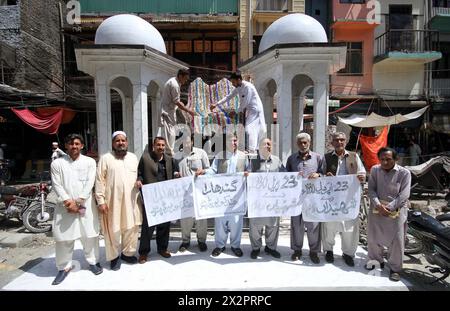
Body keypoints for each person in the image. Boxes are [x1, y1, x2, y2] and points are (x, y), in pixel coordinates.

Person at [50, 134, 102, 285]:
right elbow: (57, 184)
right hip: (65, 206)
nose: (74, 146)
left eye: (77, 144)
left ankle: (93, 262)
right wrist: (68, 202)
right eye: (71, 144)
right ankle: (63, 267)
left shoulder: (90, 162)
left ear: (82, 146)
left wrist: (79, 201)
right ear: (66, 146)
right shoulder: (57, 163)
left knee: (90, 235)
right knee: (64, 238)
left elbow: (90, 181)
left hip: (85, 204)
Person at [95, 131, 142, 271]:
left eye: (123, 140)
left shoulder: (133, 158)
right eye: (117, 141)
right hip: (112, 201)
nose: (120, 143)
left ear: (127, 142)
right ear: (113, 143)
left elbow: (139, 175)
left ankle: (128, 253)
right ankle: (114, 257)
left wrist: (140, 180)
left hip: (132, 200)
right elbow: (99, 180)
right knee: (113, 228)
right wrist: (100, 201)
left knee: (131, 228)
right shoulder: (105, 158)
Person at [196, 133, 249, 258]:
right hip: (221, 196)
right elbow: (213, 170)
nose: (234, 143)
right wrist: (203, 171)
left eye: (236, 140)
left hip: (237, 197)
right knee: (220, 221)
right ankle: (220, 245)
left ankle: (235, 246)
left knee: (236, 221)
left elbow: (248, 170)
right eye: (231, 141)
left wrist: (248, 174)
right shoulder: (220, 156)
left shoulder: (243, 156)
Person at [366, 147, 411, 282]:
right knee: (373, 237)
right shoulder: (375, 170)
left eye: (388, 159)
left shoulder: (404, 173)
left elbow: (404, 194)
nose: (385, 162)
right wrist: (378, 205)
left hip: (396, 211)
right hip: (377, 209)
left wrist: (389, 207)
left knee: (397, 240)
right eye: (382, 159)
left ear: (396, 159)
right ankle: (375, 261)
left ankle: (395, 269)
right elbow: (371, 189)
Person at [321, 132, 366, 267]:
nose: (339, 142)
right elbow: (320, 174)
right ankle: (328, 250)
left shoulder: (354, 156)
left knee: (349, 227)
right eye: (337, 140)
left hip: (349, 199)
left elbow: (362, 172)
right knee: (329, 225)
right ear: (332, 142)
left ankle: (348, 253)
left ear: (345, 142)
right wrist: (325, 176)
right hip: (331, 199)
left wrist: (361, 177)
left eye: (342, 140)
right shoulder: (326, 157)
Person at [136, 136, 180, 263]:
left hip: (166, 198)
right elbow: (139, 173)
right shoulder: (145, 158)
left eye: (162, 145)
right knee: (148, 227)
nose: (160, 147)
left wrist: (177, 174)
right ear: (153, 146)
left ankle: (162, 248)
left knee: (164, 225)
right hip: (151, 198)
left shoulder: (170, 160)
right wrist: (139, 180)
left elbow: (175, 172)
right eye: (158, 145)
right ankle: (144, 252)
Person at [286, 132, 323, 264]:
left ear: (309, 143)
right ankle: (297, 250)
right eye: (300, 142)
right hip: (296, 199)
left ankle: (314, 252)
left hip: (313, 198)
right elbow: (285, 178)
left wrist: (318, 175)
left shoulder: (318, 158)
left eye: (305, 142)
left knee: (313, 226)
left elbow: (324, 173)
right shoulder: (291, 159)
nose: (303, 145)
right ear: (297, 144)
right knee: (297, 225)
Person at [210, 72, 266, 153]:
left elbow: (245, 102)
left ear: (239, 79)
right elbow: (229, 96)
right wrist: (216, 104)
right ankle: (253, 148)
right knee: (251, 129)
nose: (232, 84)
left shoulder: (248, 87)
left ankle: (252, 149)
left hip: (255, 110)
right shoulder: (238, 87)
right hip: (250, 110)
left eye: (233, 82)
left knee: (249, 128)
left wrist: (235, 112)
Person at [248, 138, 284, 259]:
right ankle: (256, 248)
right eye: (264, 144)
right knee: (255, 225)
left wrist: (296, 176)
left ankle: (271, 247)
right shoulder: (253, 161)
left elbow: (285, 176)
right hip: (257, 200)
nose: (267, 146)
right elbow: (247, 175)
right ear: (259, 147)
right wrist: (247, 175)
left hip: (273, 200)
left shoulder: (277, 161)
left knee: (272, 225)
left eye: (269, 144)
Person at [177, 135, 210, 253]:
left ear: (191, 141)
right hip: (184, 193)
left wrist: (203, 171)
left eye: (188, 141)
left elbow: (209, 169)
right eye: (183, 142)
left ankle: (201, 241)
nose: (186, 144)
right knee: (185, 218)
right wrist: (176, 174)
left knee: (201, 218)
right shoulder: (178, 156)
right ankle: (185, 241)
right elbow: (175, 171)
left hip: (199, 192)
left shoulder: (201, 153)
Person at [158, 69, 196, 155]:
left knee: (172, 130)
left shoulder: (176, 82)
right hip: (167, 111)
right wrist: (189, 111)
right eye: (185, 78)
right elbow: (176, 101)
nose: (185, 81)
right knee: (170, 131)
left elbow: (176, 100)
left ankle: (170, 149)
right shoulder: (174, 84)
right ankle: (169, 151)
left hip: (171, 110)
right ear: (180, 76)